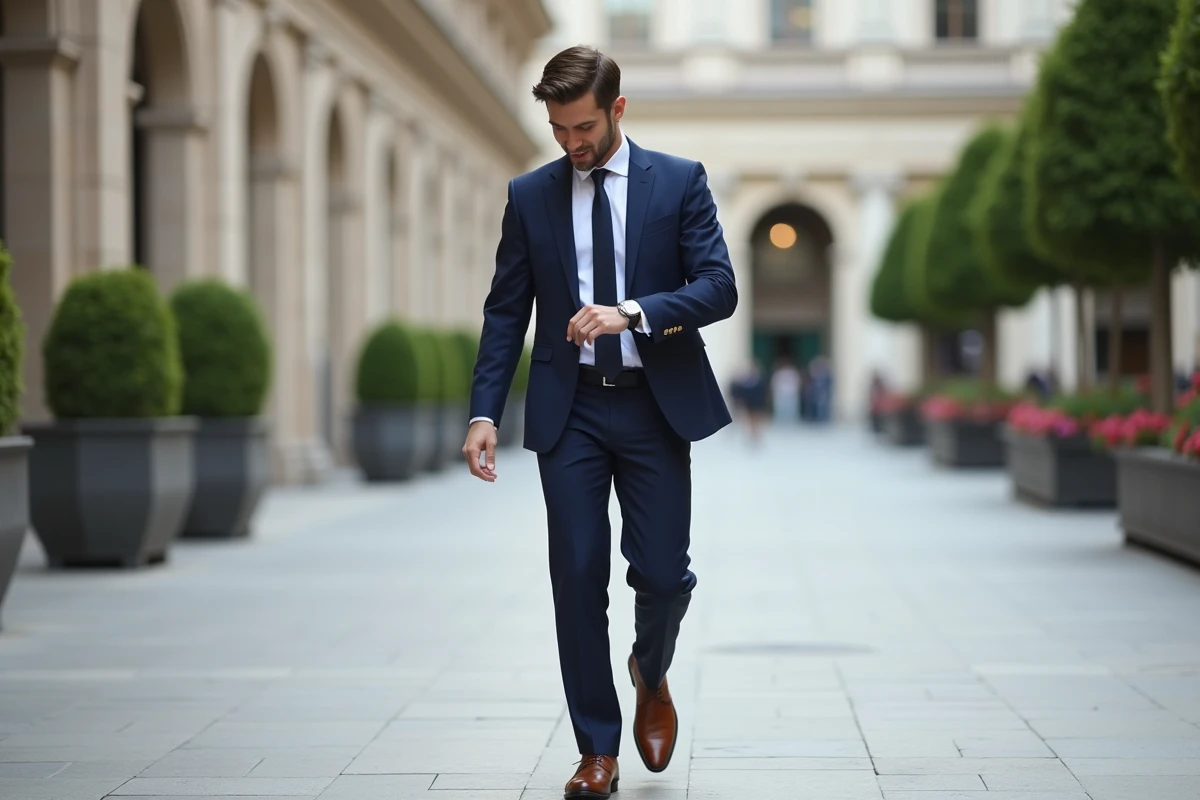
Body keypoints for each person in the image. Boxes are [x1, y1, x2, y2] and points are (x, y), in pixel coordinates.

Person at [461, 46, 738, 800]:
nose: (571, 144)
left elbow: (719, 287)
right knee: (577, 575)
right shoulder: (531, 195)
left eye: (582, 127)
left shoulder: (679, 182)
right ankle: (597, 750)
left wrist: (633, 312)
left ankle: (651, 669)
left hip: (655, 407)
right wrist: (485, 408)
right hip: (571, 410)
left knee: (661, 574)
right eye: (557, 128)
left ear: (617, 109)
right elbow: (504, 311)